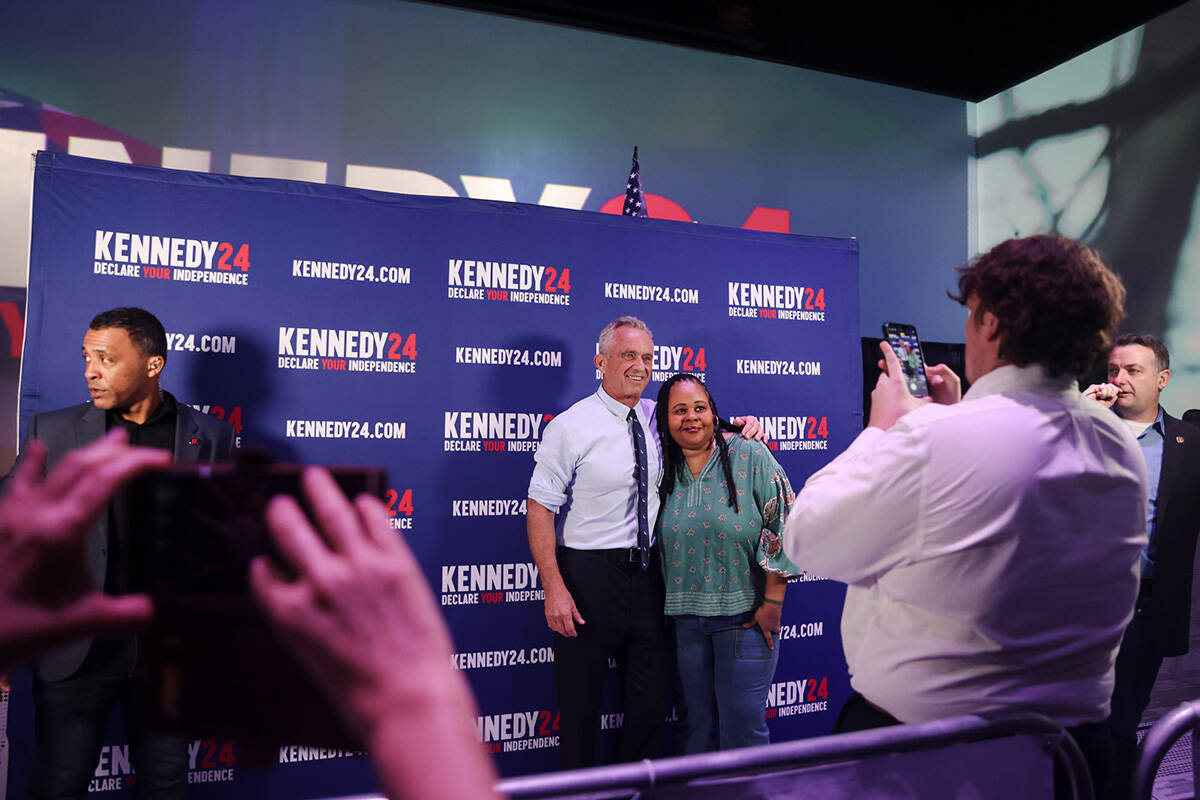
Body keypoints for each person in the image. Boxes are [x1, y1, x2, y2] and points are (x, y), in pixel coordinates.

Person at [783, 235, 1147, 794]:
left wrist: (886, 429)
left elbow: (807, 537)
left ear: (993, 323)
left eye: (973, 313)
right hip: (1074, 757)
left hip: (933, 761)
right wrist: (951, 418)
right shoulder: (1115, 441)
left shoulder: (933, 440)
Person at [19, 307, 235, 800]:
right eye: (86, 357)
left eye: (106, 358)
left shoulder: (211, 437)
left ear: (152, 364)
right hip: (77, 653)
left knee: (166, 787)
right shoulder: (51, 434)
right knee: (58, 786)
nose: (90, 371)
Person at [526, 316, 762, 768]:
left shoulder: (662, 414)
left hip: (652, 576)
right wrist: (553, 587)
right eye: (628, 355)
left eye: (648, 358)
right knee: (579, 709)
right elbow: (540, 509)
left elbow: (710, 429)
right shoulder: (570, 426)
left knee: (650, 706)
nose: (640, 366)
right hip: (588, 578)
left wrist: (744, 426)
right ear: (601, 362)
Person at [654, 373, 801, 753]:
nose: (691, 418)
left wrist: (773, 603)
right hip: (686, 623)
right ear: (665, 421)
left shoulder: (750, 453)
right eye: (679, 410)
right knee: (697, 730)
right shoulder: (662, 469)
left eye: (700, 408)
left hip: (745, 621)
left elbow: (784, 524)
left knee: (742, 731)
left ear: (714, 413)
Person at [1083, 333, 1200, 799]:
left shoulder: (1189, 443)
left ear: (1163, 379)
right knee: (1078, 722)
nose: (1120, 379)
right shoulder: (1085, 428)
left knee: (1120, 720)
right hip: (1079, 606)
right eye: (1114, 370)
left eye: (1134, 370)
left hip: (1145, 608)